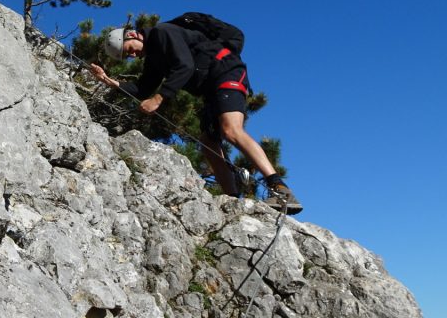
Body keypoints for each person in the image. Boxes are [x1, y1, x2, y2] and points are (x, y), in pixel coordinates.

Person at [88, 22, 303, 215]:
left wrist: (158, 99)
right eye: (128, 57)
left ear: (133, 35)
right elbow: (143, 87)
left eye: (129, 51)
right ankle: (233, 201)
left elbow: (185, 65)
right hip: (212, 88)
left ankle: (279, 188)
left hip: (227, 71)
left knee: (231, 130)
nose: (133, 56)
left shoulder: (163, 33)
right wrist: (110, 81)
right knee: (208, 144)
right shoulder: (153, 57)